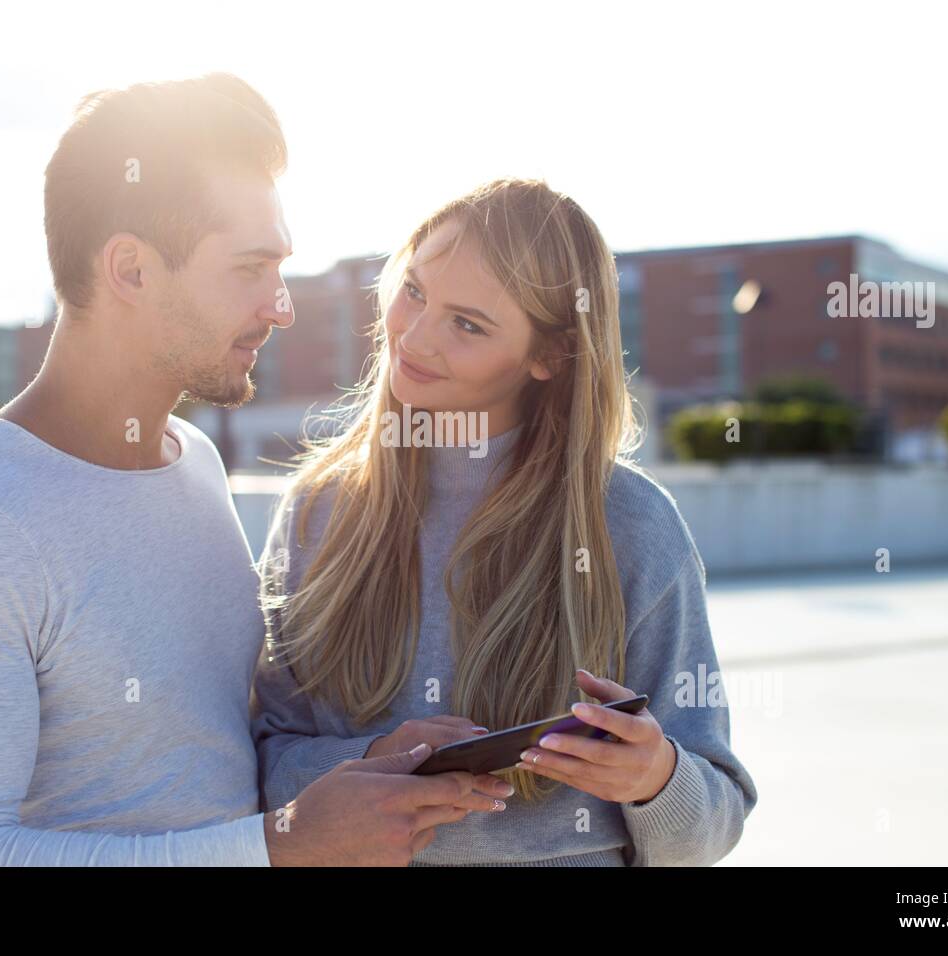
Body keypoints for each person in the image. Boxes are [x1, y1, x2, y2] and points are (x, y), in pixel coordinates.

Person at [0, 73, 512, 867]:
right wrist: (280, 847)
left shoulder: (190, 463)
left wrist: (361, 767)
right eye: (248, 269)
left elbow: (204, 759)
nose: (281, 306)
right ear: (130, 270)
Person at [252, 178, 758, 865]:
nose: (415, 335)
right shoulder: (320, 509)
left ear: (548, 356)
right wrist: (371, 760)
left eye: (468, 324)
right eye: (415, 291)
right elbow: (262, 758)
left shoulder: (631, 524)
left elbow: (714, 822)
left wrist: (655, 777)